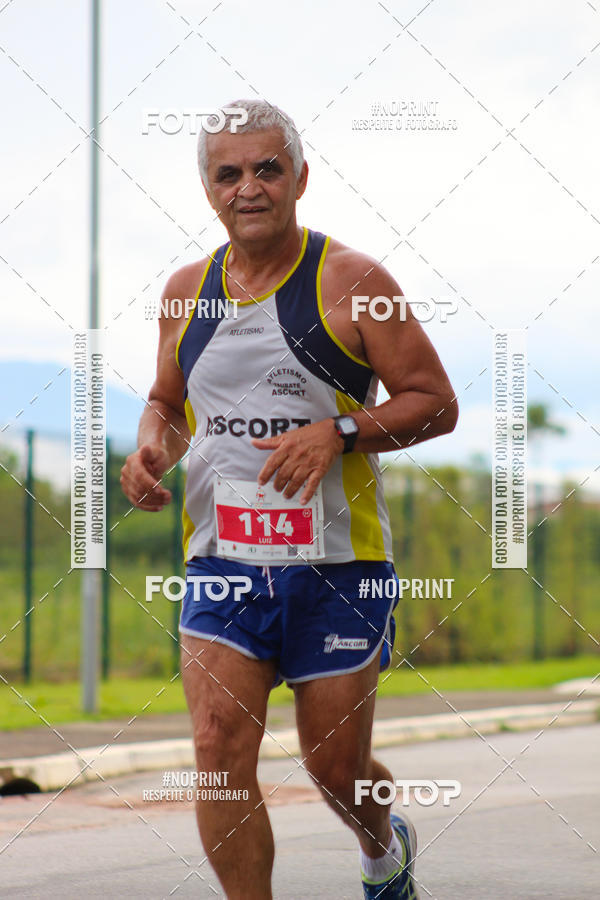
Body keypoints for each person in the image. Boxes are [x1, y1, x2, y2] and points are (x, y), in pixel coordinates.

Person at [121, 98, 458, 899]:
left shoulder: (354, 281)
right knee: (216, 747)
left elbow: (434, 403)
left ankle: (383, 842)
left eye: (267, 169)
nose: (248, 188)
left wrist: (338, 432)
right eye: (227, 173)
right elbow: (167, 402)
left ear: (300, 177)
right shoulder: (184, 291)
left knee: (333, 767)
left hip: (337, 570)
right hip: (222, 565)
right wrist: (149, 451)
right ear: (208, 189)